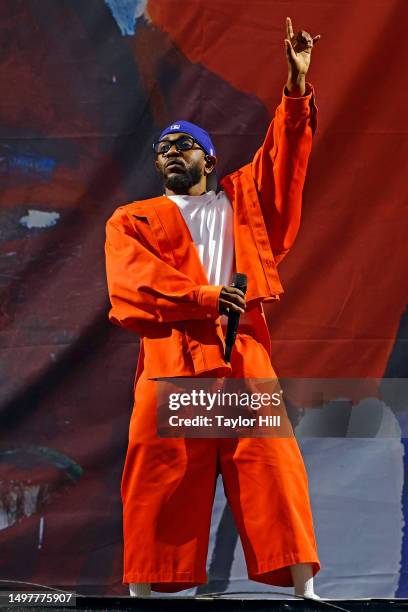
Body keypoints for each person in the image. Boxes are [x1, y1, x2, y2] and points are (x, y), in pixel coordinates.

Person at [105, 17, 322, 600]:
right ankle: (143, 595)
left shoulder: (242, 202)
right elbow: (134, 284)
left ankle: (304, 591)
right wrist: (205, 296)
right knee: (158, 477)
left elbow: (286, 160)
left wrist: (296, 89)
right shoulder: (135, 218)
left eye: (182, 147)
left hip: (241, 360)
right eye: (162, 151)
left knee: (274, 473)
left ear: (208, 156)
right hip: (174, 363)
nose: (170, 155)